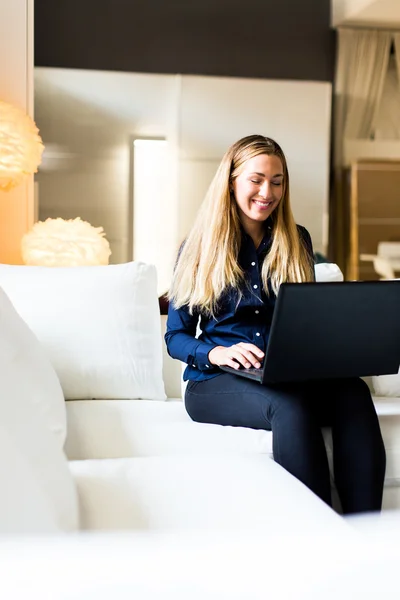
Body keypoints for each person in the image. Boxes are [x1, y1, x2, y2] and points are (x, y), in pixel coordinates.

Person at [165, 134, 386, 514]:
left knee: (353, 393)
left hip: (285, 373)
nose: (268, 192)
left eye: (278, 181)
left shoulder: (296, 240)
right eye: (256, 179)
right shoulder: (198, 246)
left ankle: (366, 527)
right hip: (217, 381)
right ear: (232, 179)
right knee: (289, 408)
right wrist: (217, 352)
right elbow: (175, 337)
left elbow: (308, 320)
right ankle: (318, 530)